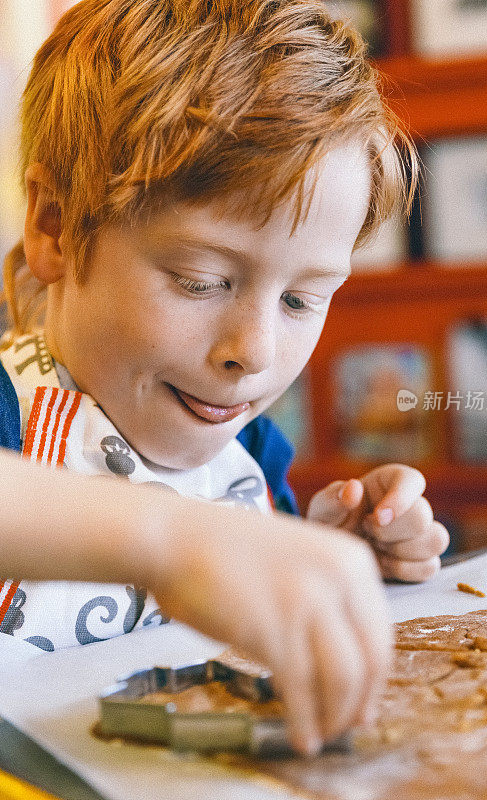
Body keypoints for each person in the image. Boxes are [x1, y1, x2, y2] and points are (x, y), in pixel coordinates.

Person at [0, 0, 449, 755]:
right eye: (201, 279)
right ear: (53, 224)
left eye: (304, 298)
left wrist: (324, 570)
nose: (256, 350)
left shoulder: (252, 457)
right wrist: (173, 539)